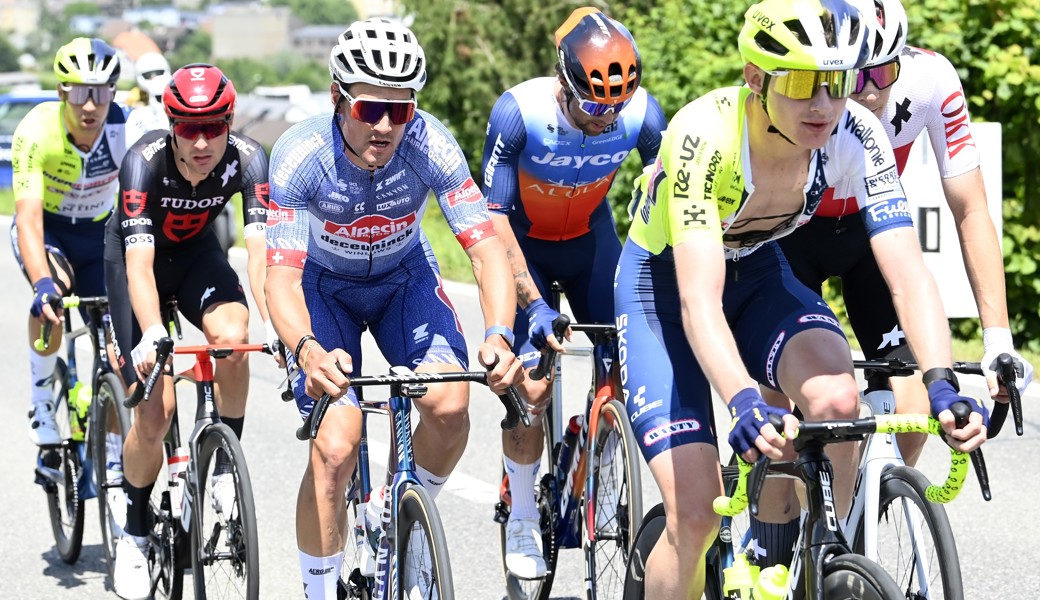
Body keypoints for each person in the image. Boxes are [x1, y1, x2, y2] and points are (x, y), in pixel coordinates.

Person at [613, 0, 988, 597]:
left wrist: (941, 381)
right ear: (756, 79)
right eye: (802, 84)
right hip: (662, 286)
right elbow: (698, 304)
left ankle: (810, 563)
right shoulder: (702, 137)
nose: (823, 106)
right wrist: (741, 401)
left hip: (758, 268)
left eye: (836, 83)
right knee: (697, 515)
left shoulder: (857, 132)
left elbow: (907, 273)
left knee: (839, 403)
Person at [264, 17, 524, 599]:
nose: (385, 126)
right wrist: (304, 348)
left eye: (400, 110)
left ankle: (397, 514)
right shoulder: (300, 155)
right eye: (369, 109)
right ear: (338, 98)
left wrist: (501, 333)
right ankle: (318, 588)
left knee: (451, 406)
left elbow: (486, 252)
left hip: (402, 281)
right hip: (321, 289)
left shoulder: (432, 143)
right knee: (335, 447)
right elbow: (278, 278)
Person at [778, 0, 1033, 468]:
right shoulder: (801, 93)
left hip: (869, 234)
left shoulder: (930, 81)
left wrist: (997, 338)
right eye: (856, 77)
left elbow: (971, 209)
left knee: (914, 410)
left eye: (885, 71)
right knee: (787, 422)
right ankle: (775, 533)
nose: (872, 92)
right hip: (791, 235)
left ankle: (863, 527)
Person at [479, 6, 665, 579]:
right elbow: (494, 222)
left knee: (637, 364)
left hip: (592, 244)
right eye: (591, 104)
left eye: (615, 107)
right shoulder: (519, 114)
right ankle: (522, 518)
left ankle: (605, 455)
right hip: (525, 247)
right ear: (563, 82)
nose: (604, 118)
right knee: (532, 388)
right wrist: (532, 303)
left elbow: (677, 200)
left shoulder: (642, 115)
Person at [105, 64, 274, 600]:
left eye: (213, 127)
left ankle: (222, 469)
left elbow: (259, 252)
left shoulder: (250, 160)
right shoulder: (143, 162)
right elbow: (138, 262)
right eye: (188, 128)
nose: (201, 142)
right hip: (137, 261)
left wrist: (283, 331)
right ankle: (133, 530)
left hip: (198, 255)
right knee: (155, 414)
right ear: (170, 123)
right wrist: (154, 330)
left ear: (230, 120)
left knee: (234, 335)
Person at [10, 37, 126, 447]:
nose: (90, 105)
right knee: (51, 305)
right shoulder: (37, 131)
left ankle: (115, 458)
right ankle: (41, 401)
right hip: (51, 230)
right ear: (62, 91)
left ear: (113, 91)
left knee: (119, 352)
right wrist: (42, 283)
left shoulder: (125, 127)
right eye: (79, 91)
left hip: (98, 234)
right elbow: (27, 219)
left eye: (100, 92)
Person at [125, 51, 172, 146]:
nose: (153, 78)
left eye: (158, 73)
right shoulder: (134, 97)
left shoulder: (173, 90)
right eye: (148, 75)